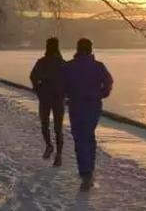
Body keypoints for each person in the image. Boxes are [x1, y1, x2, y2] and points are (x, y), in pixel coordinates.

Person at [63, 38, 113, 191]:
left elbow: (62, 84)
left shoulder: (69, 66)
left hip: (77, 106)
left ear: (78, 49)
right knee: (88, 136)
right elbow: (108, 81)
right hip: (93, 105)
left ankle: (86, 174)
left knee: (80, 138)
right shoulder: (98, 66)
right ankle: (89, 170)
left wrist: (68, 94)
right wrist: (101, 94)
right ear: (91, 50)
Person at [30, 37, 66, 166]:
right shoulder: (62, 63)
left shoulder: (42, 62)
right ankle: (59, 154)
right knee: (58, 128)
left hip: (45, 97)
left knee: (45, 125)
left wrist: (38, 89)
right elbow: (69, 81)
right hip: (57, 98)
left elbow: (33, 77)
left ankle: (50, 146)